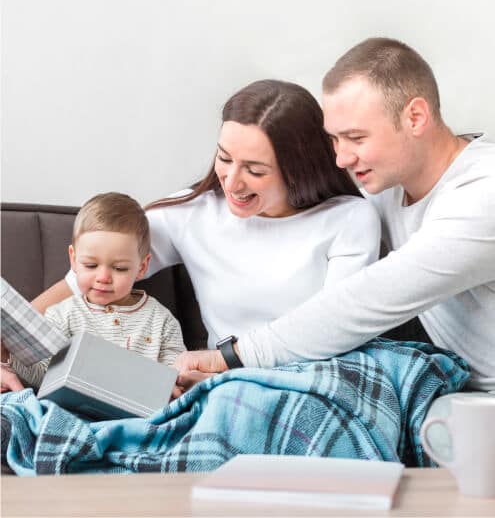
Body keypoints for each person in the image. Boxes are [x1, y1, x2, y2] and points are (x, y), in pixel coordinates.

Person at [174, 38, 495, 392]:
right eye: (335, 140)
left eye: (356, 138)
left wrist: (231, 357)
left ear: (415, 117)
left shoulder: (482, 195)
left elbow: (370, 299)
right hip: (463, 404)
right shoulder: (388, 189)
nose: (342, 159)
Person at [22, 79, 381, 368]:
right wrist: (8, 349)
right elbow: (82, 278)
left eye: (255, 170)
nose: (232, 181)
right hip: (225, 386)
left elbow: (334, 329)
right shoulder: (192, 213)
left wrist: (224, 362)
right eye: (224, 159)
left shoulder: (349, 219)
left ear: (298, 168)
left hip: (315, 374)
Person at [1, 192, 185, 391]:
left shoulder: (162, 321)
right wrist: (7, 357)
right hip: (72, 411)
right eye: (91, 265)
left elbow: (177, 376)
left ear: (142, 266)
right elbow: (43, 377)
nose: (103, 277)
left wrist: (171, 388)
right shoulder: (61, 316)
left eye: (119, 268)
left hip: (140, 417)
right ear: (73, 259)